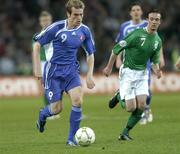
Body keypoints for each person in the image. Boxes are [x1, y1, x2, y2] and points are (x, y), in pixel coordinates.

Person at [32, 0, 95, 146]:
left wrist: (90, 75)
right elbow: (36, 45)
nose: (79, 18)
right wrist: (37, 69)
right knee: (56, 109)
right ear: (68, 14)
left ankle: (71, 139)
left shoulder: (84, 30)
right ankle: (43, 115)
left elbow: (90, 54)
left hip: (71, 71)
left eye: (81, 14)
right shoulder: (56, 28)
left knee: (78, 101)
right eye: (75, 15)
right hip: (53, 72)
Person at [103, 9, 162, 140]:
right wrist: (108, 67)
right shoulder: (136, 34)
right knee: (130, 108)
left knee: (141, 106)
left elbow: (153, 61)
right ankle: (119, 96)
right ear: (148, 20)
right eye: (152, 19)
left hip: (142, 74)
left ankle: (125, 133)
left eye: (156, 19)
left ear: (159, 22)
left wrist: (157, 70)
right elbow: (116, 48)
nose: (154, 22)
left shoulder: (157, 40)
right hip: (128, 72)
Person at [32, 11, 60, 120]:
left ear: (51, 20)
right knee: (44, 89)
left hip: (55, 63)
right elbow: (34, 53)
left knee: (56, 87)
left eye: (47, 20)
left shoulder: (56, 33)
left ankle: (55, 109)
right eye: (43, 20)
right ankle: (50, 109)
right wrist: (36, 67)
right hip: (43, 63)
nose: (46, 22)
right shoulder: (37, 36)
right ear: (40, 22)